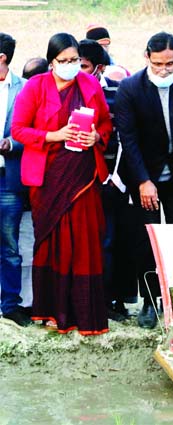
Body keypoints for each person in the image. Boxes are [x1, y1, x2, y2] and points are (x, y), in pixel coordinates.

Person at [11, 32, 112, 335]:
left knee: (84, 241)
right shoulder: (35, 87)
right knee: (52, 242)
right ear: (51, 61)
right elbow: (18, 130)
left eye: (75, 61)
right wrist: (55, 136)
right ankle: (50, 310)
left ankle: (85, 313)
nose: (70, 66)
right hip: (47, 177)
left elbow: (106, 122)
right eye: (63, 61)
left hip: (82, 176)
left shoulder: (90, 85)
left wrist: (97, 136)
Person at [116, 32, 173, 328]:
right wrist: (142, 181)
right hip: (145, 176)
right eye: (158, 64)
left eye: (170, 64)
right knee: (146, 240)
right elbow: (128, 140)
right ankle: (150, 302)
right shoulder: (130, 88)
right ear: (146, 57)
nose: (165, 70)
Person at [79, 39, 136, 321]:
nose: (76, 70)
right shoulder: (69, 93)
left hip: (110, 182)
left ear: (99, 68)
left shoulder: (117, 93)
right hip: (77, 182)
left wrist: (116, 180)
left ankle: (110, 300)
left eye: (83, 66)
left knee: (109, 241)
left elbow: (126, 138)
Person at [0, 33, 29, 327]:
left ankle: (10, 304)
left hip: (8, 178)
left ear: (2, 59)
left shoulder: (24, 89)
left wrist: (11, 144)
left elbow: (31, 128)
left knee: (9, 245)